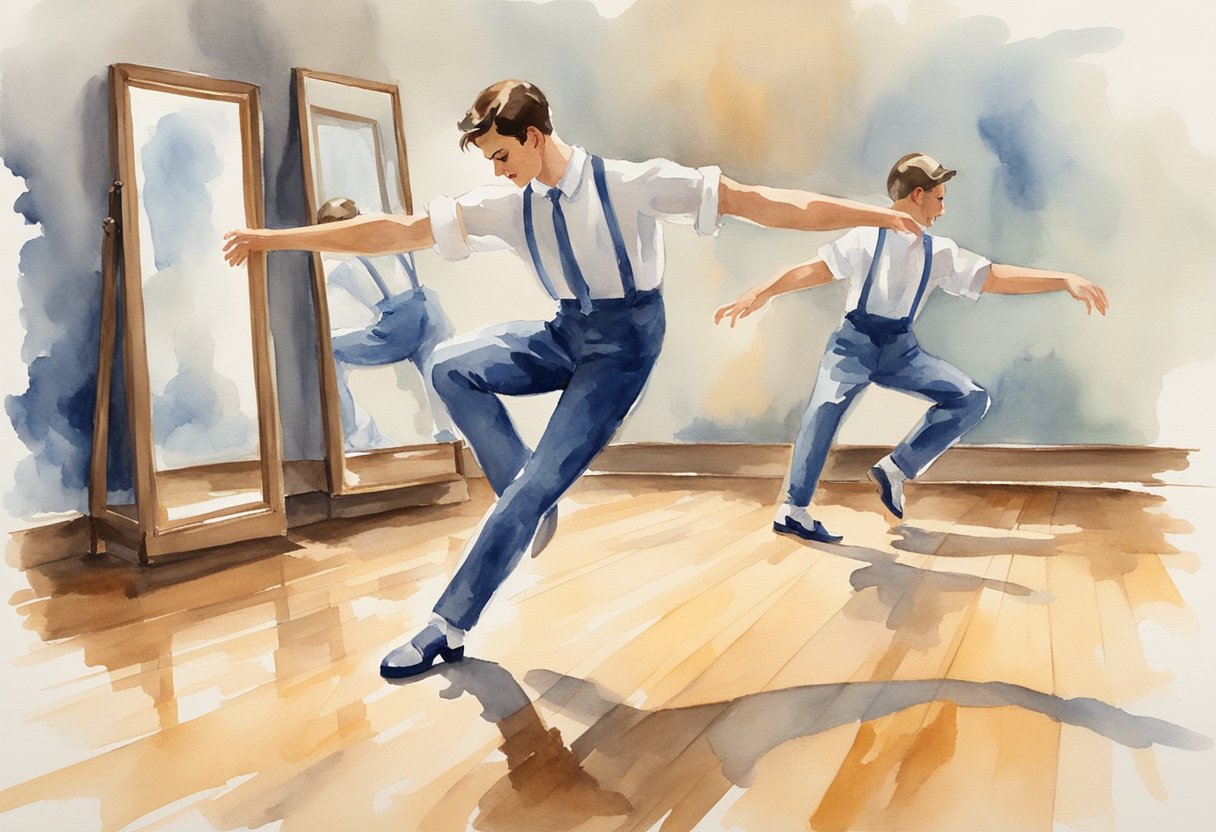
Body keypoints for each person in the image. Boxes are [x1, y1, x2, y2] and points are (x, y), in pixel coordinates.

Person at [223, 80, 922, 679]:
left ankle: (447, 623)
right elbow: (394, 232)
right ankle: (531, 496)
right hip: (563, 331)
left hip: (624, 349)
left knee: (528, 487)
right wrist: (272, 242)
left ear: (533, 136)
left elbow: (763, 203)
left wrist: (875, 215)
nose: (497, 171)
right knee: (449, 364)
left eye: (502, 155)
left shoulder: (633, 184)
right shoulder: (507, 202)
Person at [714, 152, 1109, 543]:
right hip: (853, 344)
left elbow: (995, 277)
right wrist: (761, 292)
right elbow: (813, 270)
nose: (942, 207)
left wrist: (1063, 279)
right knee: (823, 411)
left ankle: (896, 469)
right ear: (918, 195)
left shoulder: (939, 253)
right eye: (939, 198)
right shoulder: (865, 237)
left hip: (901, 348)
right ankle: (792, 510)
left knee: (970, 399)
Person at [315, 197, 458, 449]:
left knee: (327, 350)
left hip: (400, 328)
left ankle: (356, 435)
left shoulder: (338, 261)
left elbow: (317, 288)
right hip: (430, 311)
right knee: (435, 372)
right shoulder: (390, 238)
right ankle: (448, 434)